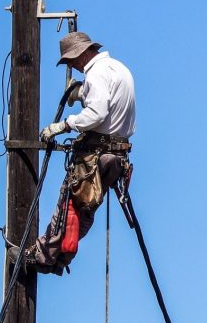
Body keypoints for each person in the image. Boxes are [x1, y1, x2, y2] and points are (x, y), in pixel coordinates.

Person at [12, 31, 136, 275]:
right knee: (82, 209)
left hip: (96, 155)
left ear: (81, 54)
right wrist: (81, 94)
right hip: (116, 156)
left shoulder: (96, 73)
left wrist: (64, 125)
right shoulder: (118, 68)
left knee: (68, 205)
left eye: (71, 62)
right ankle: (60, 257)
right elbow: (109, 109)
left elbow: (97, 114)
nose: (73, 67)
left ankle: (40, 257)